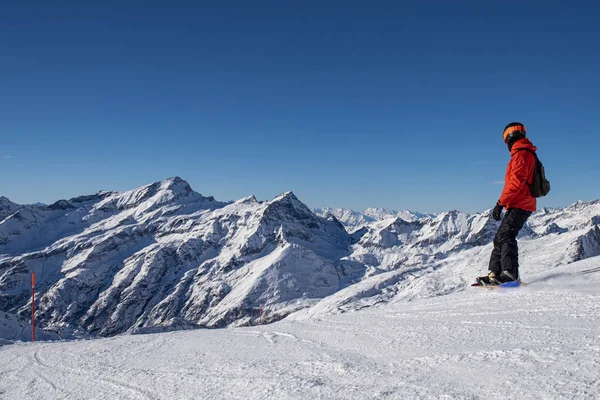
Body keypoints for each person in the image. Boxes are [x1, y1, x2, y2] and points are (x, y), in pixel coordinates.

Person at [477, 122, 537, 285]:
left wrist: (500, 203)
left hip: (521, 203)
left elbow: (515, 183)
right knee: (499, 238)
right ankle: (494, 274)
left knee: (506, 236)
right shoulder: (523, 153)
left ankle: (510, 274)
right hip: (518, 202)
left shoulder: (521, 155)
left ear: (509, 139)